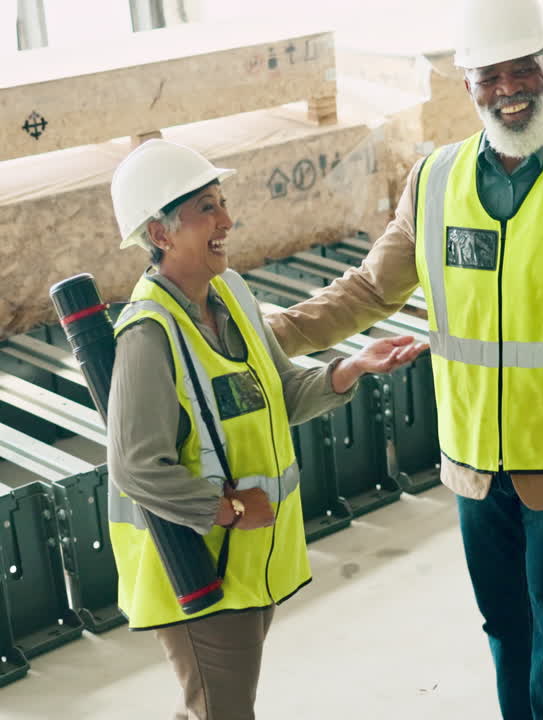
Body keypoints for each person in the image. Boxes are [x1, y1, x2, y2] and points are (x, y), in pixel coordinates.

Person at [264, 0, 543, 717]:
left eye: (521, 72)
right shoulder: (434, 181)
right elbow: (372, 288)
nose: (508, 90)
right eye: (489, 77)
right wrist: (269, 334)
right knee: (504, 631)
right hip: (473, 468)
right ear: (467, 85)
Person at [106, 138, 425, 720]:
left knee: (211, 705)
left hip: (249, 560)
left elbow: (277, 395)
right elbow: (134, 465)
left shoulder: (230, 294)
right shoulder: (148, 333)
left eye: (222, 203)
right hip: (196, 565)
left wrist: (349, 368)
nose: (227, 220)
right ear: (160, 234)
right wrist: (225, 510)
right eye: (207, 208)